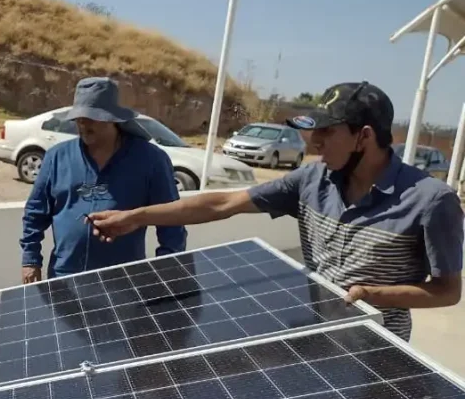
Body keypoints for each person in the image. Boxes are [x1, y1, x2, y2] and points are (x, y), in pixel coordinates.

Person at [88, 81, 464, 340]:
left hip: (378, 349)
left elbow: (447, 293)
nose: (313, 142)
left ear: (364, 137)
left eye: (327, 132)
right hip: (314, 336)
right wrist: (135, 217)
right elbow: (222, 203)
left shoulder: (431, 201)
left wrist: (373, 293)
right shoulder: (311, 180)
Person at [21, 76, 187, 283]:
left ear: (112, 119)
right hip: (65, 279)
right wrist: (30, 260)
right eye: (79, 118)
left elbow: (171, 220)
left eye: (91, 118)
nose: (83, 124)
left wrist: (166, 269)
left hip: (125, 282)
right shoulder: (57, 157)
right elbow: (35, 213)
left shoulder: (151, 160)